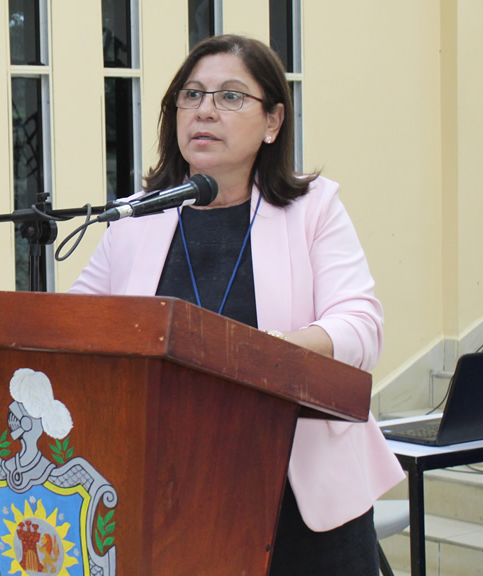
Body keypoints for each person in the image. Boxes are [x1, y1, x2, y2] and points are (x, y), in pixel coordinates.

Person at [69, 35, 404, 574]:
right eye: (191, 95)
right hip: (171, 493)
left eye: (229, 96)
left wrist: (258, 353)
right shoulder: (137, 218)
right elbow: (78, 329)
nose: (204, 110)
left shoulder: (313, 209)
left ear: (272, 122)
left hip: (300, 498)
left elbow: (360, 328)